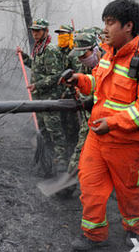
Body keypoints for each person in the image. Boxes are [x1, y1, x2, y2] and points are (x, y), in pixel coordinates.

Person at [65, 0, 139, 251]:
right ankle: (94, 235)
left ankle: (135, 232)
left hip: (127, 144)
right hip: (97, 138)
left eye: (111, 23)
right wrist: (79, 79)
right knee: (90, 187)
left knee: (129, 192)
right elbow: (100, 86)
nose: (106, 29)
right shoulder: (108, 53)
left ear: (129, 26)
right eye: (105, 23)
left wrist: (113, 123)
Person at [16, 18, 67, 177]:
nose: (35, 33)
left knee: (55, 131)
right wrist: (24, 57)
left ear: (46, 31)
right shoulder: (39, 48)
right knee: (43, 130)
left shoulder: (50, 49)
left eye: (38, 30)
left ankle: (62, 163)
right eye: (33, 30)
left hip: (50, 99)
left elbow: (56, 76)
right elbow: (37, 67)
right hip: (38, 97)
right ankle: (48, 160)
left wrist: (37, 85)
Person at [66, 31, 102, 176]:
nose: (81, 59)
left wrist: (91, 100)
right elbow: (84, 83)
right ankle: (69, 182)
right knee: (81, 148)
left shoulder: (110, 63)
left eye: (84, 55)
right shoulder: (85, 65)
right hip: (90, 117)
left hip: (108, 119)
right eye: (78, 56)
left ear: (94, 49)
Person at [55, 24, 81, 164]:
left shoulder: (74, 52)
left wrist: (68, 91)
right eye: (59, 34)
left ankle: (73, 156)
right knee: (62, 125)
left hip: (71, 96)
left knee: (73, 128)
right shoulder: (58, 51)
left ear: (70, 35)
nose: (60, 37)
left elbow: (78, 75)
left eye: (63, 34)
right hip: (59, 96)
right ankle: (64, 155)